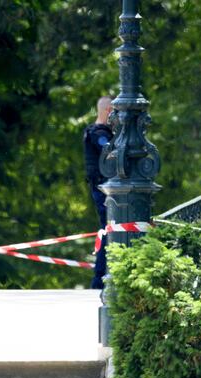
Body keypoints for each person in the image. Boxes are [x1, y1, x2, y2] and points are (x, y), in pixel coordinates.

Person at [83, 96, 114, 289]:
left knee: (110, 229)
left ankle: (102, 276)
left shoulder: (96, 132)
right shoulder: (98, 134)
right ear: (109, 111)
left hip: (104, 189)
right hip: (104, 190)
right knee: (109, 229)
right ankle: (100, 278)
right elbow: (110, 151)